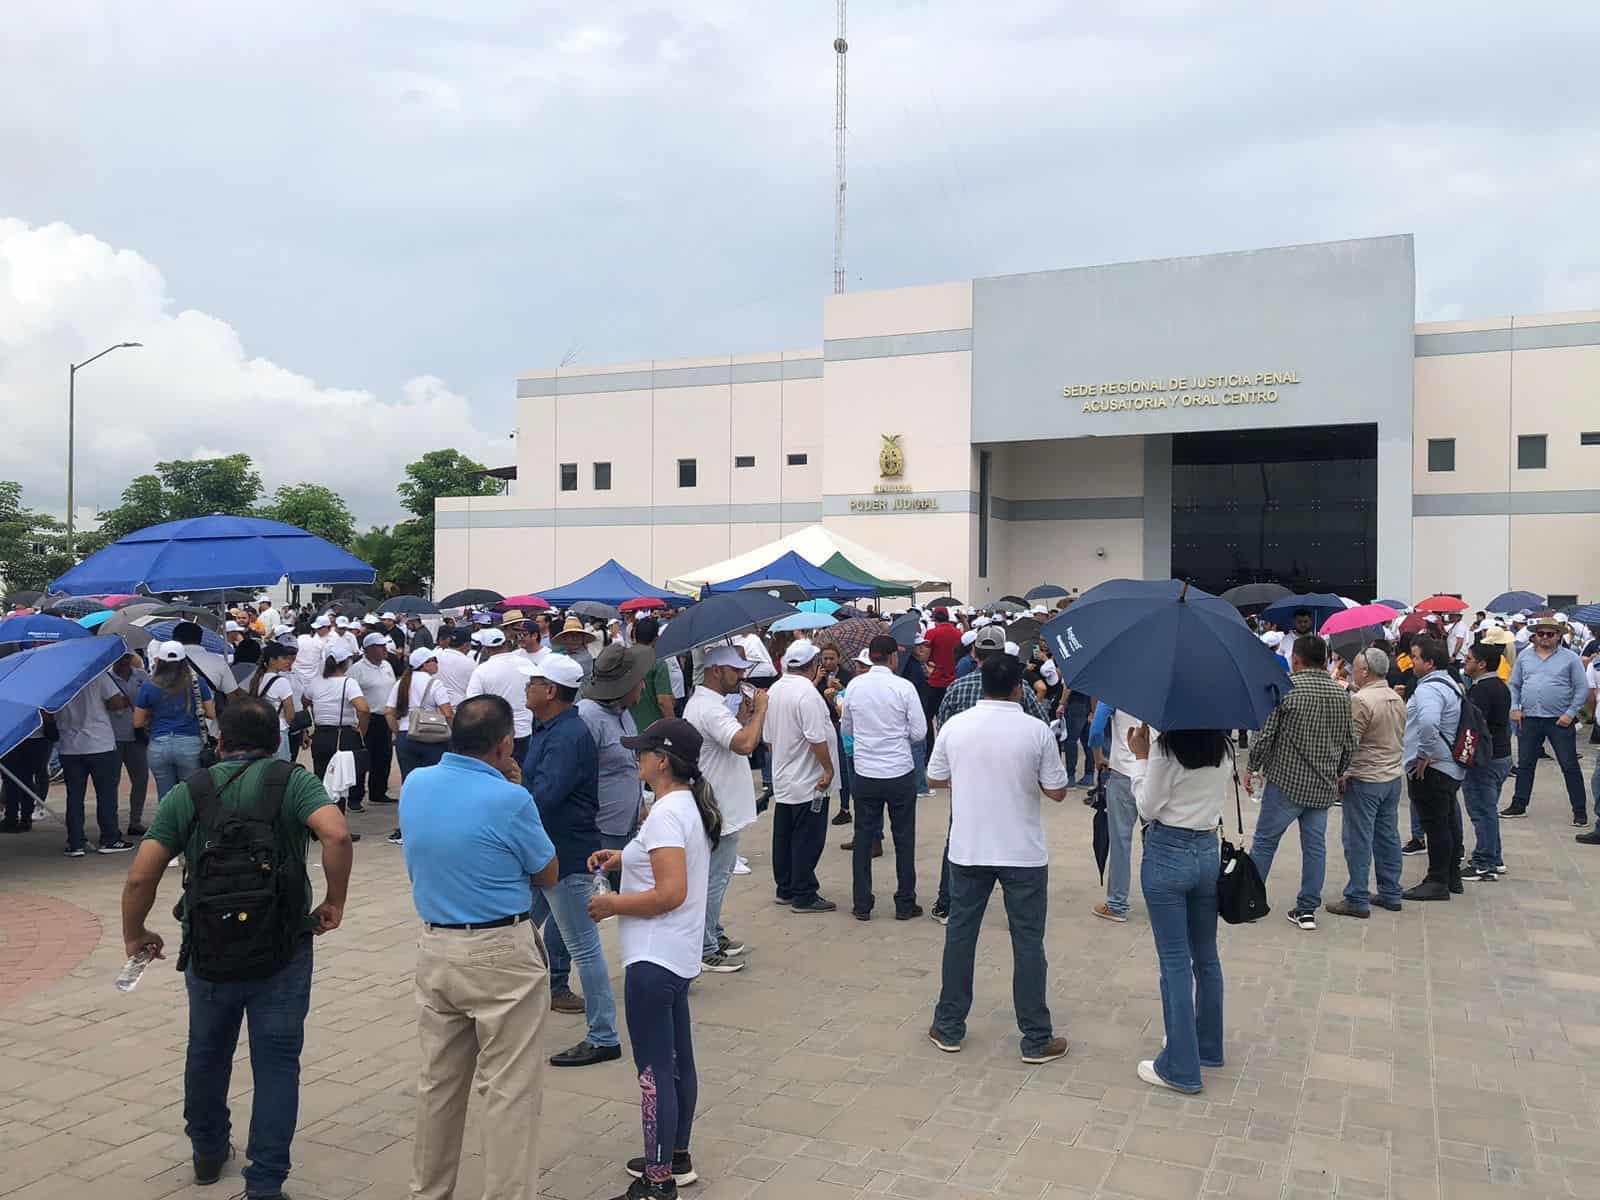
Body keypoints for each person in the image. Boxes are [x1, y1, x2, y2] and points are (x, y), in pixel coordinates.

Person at [120, 695, 353, 1198]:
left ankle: (207, 1152)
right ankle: (265, 1182)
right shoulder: (294, 782)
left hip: (208, 949)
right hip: (283, 945)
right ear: (275, 742)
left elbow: (142, 876)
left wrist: (134, 933)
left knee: (206, 1051)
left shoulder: (190, 792)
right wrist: (334, 901)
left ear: (221, 740)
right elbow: (336, 834)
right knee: (276, 1062)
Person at [400, 694, 559, 1200]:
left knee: (438, 1085)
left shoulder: (417, 783)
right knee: (509, 1090)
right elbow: (547, 872)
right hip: (500, 951)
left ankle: (429, 1191)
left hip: (437, 946)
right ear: (505, 742)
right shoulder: (511, 799)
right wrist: (514, 786)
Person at [589, 718, 719, 1200]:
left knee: (654, 1071)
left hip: (653, 957)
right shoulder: (682, 805)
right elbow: (666, 861)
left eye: (642, 752)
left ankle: (658, 1181)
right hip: (675, 954)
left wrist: (611, 904)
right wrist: (624, 858)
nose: (636, 758)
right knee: (678, 1061)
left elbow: (670, 891)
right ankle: (675, 1154)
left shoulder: (667, 813)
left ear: (661, 761)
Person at [926, 654, 1069, 1063]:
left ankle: (949, 1026)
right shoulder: (1035, 730)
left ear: (981, 682)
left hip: (968, 848)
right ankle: (1036, 1037)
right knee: (1027, 941)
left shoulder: (956, 725)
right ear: (1018, 688)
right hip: (1022, 852)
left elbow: (935, 777)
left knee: (960, 936)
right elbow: (1057, 791)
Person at [521, 653, 621, 1065]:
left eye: (533, 682)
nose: (526, 687)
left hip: (565, 853)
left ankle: (604, 1035)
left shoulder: (568, 735)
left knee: (584, 947)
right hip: (545, 851)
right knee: (518, 926)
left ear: (550, 690)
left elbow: (544, 794)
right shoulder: (547, 727)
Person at [1128, 720, 1228, 1093]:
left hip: (1168, 852)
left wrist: (1141, 758)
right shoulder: (1223, 749)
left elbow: (1147, 807)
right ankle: (1207, 1046)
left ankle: (1181, 1066)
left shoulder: (1167, 750)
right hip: (1206, 851)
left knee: (1174, 961)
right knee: (1206, 957)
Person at [1247, 634, 1356, 931]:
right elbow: (1350, 743)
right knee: (1315, 847)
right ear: (1325, 659)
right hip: (1322, 786)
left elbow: (1265, 735)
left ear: (1296, 659)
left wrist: (1253, 767)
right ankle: (1307, 909)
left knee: (1265, 843)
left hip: (1286, 782)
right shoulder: (1340, 693)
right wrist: (1337, 771)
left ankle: (1250, 902)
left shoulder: (1287, 690)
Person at [682, 643, 764, 971]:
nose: (741, 676)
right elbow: (744, 744)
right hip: (718, 806)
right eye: (736, 670)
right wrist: (759, 712)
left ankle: (712, 932)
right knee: (714, 878)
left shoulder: (710, 704)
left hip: (721, 804)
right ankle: (703, 946)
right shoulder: (709, 707)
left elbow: (728, 740)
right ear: (716, 671)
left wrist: (743, 716)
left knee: (719, 874)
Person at [841, 635, 927, 920]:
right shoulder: (903, 687)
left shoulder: (854, 686)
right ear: (892, 657)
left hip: (866, 772)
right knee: (904, 838)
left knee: (863, 837)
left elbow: (847, 728)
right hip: (899, 770)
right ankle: (905, 902)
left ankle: (862, 903)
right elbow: (919, 732)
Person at [1326, 647, 1407, 918]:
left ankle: (1357, 896)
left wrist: (1341, 773)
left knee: (1358, 839)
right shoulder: (1395, 696)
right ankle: (1390, 891)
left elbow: (1351, 742)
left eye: (1356, 668)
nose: (1353, 672)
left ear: (1365, 671)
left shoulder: (1361, 700)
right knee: (1387, 836)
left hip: (1366, 778)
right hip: (1391, 776)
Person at [763, 640, 838, 913]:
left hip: (784, 775)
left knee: (784, 835)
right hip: (809, 779)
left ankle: (785, 887)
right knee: (808, 837)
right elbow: (816, 738)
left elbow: (769, 739)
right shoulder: (807, 694)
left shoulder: (776, 689)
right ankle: (803, 892)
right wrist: (828, 769)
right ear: (813, 665)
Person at [580, 641, 655, 887]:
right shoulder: (588, 717)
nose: (642, 686)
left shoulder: (623, 711)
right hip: (601, 829)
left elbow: (628, 765)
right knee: (591, 898)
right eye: (638, 682)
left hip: (627, 824)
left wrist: (640, 803)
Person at [1504, 616, 1589, 824]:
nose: (1544, 638)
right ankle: (1519, 804)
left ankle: (1579, 811)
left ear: (1558, 636)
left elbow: (1582, 688)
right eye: (1540, 633)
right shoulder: (1525, 656)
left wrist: (1570, 713)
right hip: (1530, 718)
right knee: (1525, 764)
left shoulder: (1570, 658)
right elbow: (1514, 684)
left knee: (1569, 765)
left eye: (1549, 634)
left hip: (1559, 720)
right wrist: (1514, 707)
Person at [1402, 638, 1468, 900]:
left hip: (1433, 768)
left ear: (1429, 663)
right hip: (1448, 766)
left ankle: (1437, 880)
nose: (1412, 661)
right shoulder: (1449, 682)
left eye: (1416, 657)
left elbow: (1429, 722)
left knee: (1435, 824)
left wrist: (1423, 754)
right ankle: (1451, 875)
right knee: (1447, 821)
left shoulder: (1428, 689)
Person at [383, 648, 458, 846]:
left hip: (406, 737)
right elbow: (448, 713)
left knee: (410, 783)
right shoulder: (435, 683)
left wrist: (397, 731)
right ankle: (435, 826)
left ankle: (407, 828)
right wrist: (455, 734)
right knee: (437, 784)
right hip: (433, 739)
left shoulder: (401, 683)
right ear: (425, 664)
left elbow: (389, 711)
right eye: (434, 660)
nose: (436, 663)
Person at [58, 661, 134, 855]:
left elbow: (48, 713)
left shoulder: (58, 680)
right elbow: (116, 702)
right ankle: (109, 839)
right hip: (100, 744)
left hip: (69, 747)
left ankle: (75, 843)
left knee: (74, 797)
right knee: (106, 794)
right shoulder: (98, 675)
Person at [135, 640, 216, 809]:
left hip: (159, 744)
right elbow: (211, 713)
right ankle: (189, 832)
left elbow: (137, 722)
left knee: (165, 797)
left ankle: (167, 832)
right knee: (190, 796)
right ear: (184, 660)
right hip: (190, 744)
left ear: (159, 661)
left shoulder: (149, 685)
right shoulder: (197, 682)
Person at [305, 642, 370, 828]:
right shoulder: (349, 683)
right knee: (339, 784)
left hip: (321, 735)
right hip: (343, 735)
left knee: (321, 780)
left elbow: (305, 700)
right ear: (346, 663)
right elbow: (363, 709)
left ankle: (320, 824)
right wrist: (362, 730)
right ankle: (336, 826)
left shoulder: (316, 681)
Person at [1461, 642, 1513, 874]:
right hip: (1501, 755)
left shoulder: (1481, 690)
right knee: (1488, 808)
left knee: (1482, 811)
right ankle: (1495, 857)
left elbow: (1474, 728)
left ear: (1481, 664)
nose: (1465, 662)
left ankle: (1484, 862)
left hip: (1486, 758)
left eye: (1469, 659)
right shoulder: (1500, 686)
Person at [465, 628, 536, 760]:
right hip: (525, 728)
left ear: (486, 648)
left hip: (496, 733)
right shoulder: (526, 663)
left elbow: (472, 702)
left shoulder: (481, 670)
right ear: (506, 643)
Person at [347, 632, 398, 807]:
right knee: (362, 758)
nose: (385, 650)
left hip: (385, 718)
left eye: (385, 646)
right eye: (380, 646)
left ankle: (378, 792)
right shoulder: (357, 669)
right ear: (368, 649)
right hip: (367, 718)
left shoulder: (387, 666)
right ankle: (355, 797)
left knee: (383, 757)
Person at [107, 649, 152, 836]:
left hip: (137, 735)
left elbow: (151, 699)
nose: (124, 661)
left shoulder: (142, 676)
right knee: (111, 783)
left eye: (127, 657)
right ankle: (111, 823)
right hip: (113, 736)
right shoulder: (106, 678)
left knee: (141, 779)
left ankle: (135, 821)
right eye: (120, 657)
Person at [815, 641, 854, 826]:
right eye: (825, 658)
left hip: (840, 726)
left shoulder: (846, 676)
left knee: (844, 769)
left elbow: (851, 702)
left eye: (831, 658)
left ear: (838, 659)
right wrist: (816, 680)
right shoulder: (818, 675)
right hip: (823, 725)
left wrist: (841, 689)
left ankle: (845, 807)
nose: (828, 662)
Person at [247, 640, 300, 761]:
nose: (288, 662)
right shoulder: (282, 682)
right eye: (283, 658)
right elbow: (290, 714)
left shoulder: (256, 679)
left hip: (260, 732)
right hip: (278, 731)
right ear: (272, 660)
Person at [899, 632, 935, 795]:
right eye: (918, 645)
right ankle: (920, 786)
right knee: (917, 748)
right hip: (917, 711)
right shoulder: (911, 666)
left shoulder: (912, 664)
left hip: (919, 709)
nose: (922, 648)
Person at [627, 617, 675, 734]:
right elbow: (663, 701)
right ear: (656, 639)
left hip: (626, 728)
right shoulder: (657, 662)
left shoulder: (622, 657)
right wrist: (675, 729)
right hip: (652, 730)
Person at [922, 606, 962, 712]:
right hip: (954, 681)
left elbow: (924, 657)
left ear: (934, 619)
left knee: (929, 715)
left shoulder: (932, 633)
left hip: (935, 680)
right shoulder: (959, 634)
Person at [434, 626, 478, 700]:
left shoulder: (434, 658)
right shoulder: (470, 664)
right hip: (459, 706)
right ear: (466, 645)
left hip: (436, 705)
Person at [553, 615, 601, 681]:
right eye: (571, 635)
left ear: (582, 638)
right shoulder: (562, 653)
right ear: (564, 638)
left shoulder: (584, 657)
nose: (575, 638)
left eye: (578, 635)